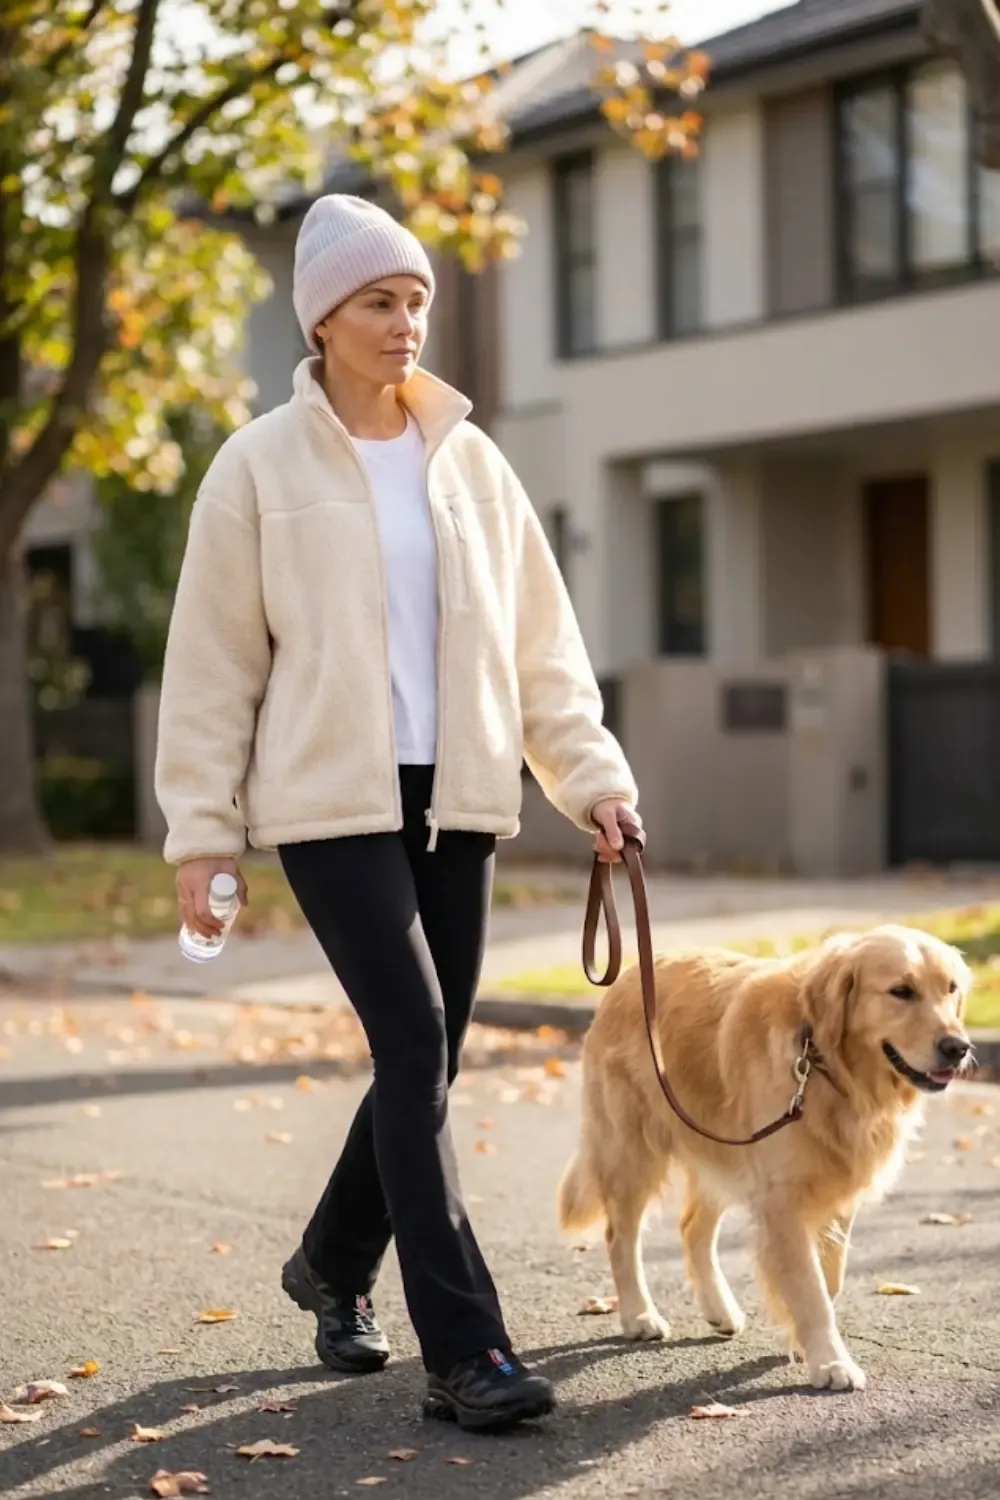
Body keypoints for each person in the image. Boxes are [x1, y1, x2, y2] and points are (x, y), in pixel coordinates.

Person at [155, 193, 643, 1433]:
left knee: (423, 1055)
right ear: (322, 317)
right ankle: (466, 1351)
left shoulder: (471, 461)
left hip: (460, 795)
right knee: (417, 1040)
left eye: (417, 299)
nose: (407, 321)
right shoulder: (256, 465)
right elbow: (213, 664)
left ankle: (329, 1261)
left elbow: (542, 649)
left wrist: (592, 779)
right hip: (330, 804)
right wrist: (202, 831)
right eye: (381, 301)